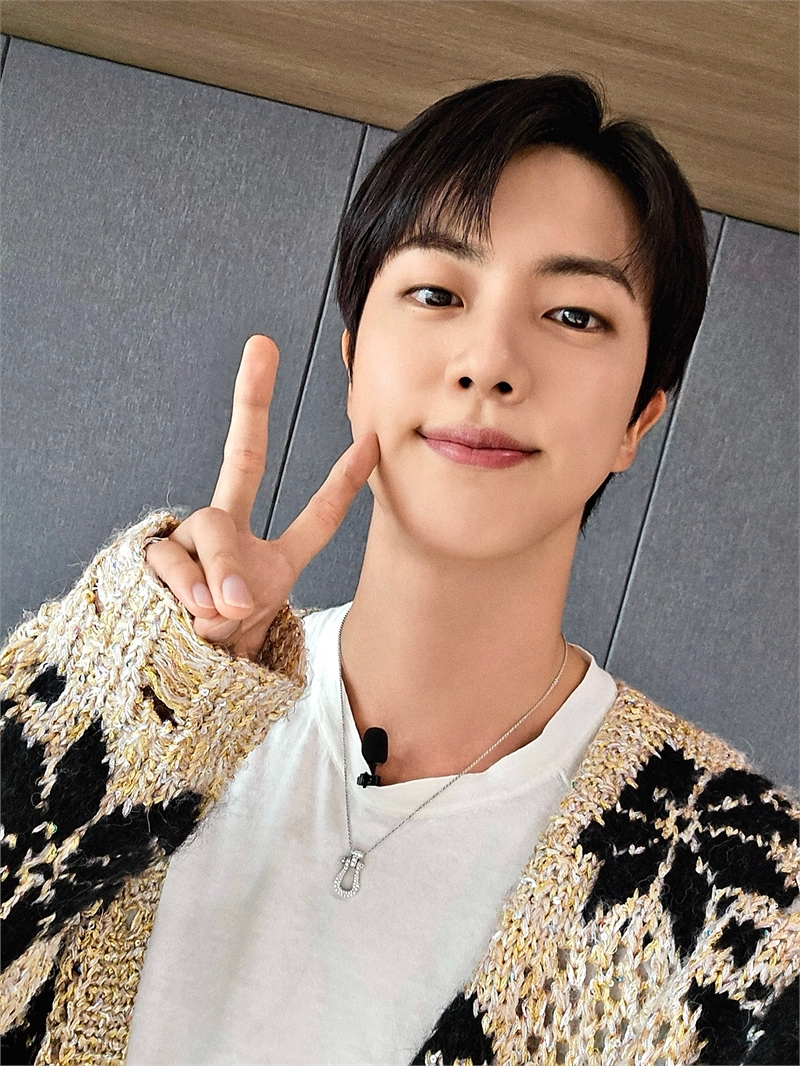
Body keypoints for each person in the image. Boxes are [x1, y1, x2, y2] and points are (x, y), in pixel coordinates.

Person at [1, 73, 797, 1066]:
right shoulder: (144, 692)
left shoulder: (748, 900)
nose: (488, 361)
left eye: (572, 315)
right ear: (351, 361)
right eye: (436, 293)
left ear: (638, 418)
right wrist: (133, 684)